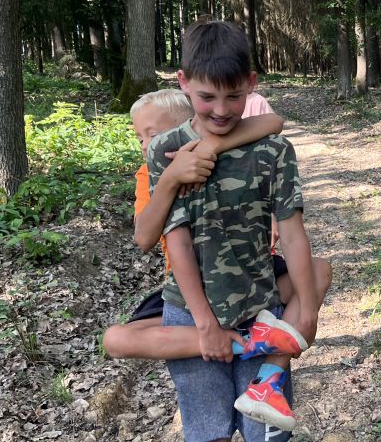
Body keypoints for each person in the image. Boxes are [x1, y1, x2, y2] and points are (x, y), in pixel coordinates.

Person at [147, 19, 323, 442]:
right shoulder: (168, 151)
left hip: (259, 309)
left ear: (251, 83)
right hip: (191, 311)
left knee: (267, 424)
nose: (220, 109)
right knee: (209, 425)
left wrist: (307, 309)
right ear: (183, 84)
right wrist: (203, 323)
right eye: (206, 97)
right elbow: (172, 240)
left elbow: (292, 232)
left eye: (232, 96)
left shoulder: (273, 151)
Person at [101, 90, 328, 363]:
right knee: (116, 339)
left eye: (154, 135)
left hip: (253, 279)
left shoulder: (236, 155)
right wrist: (170, 179)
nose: (147, 145)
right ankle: (245, 343)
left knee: (319, 270)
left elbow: (273, 121)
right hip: (188, 290)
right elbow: (144, 237)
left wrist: (213, 145)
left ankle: (272, 369)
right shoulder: (149, 173)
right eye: (141, 138)